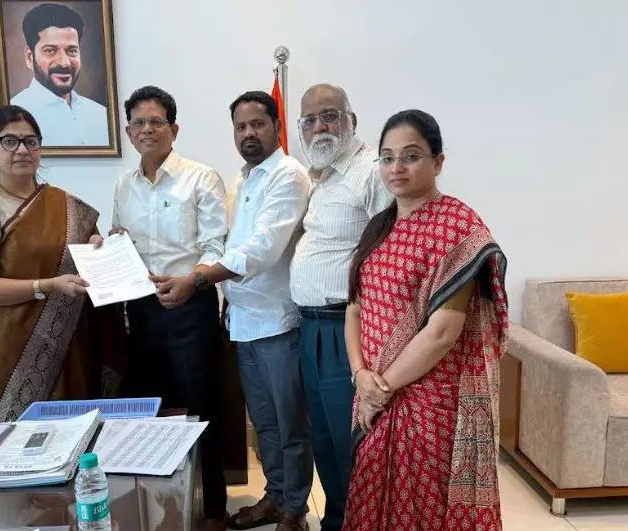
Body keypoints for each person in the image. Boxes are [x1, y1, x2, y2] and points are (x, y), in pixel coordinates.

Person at [343, 110, 509, 530]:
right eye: (387, 157)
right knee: (370, 495)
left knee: (422, 507)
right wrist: (361, 376)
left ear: (438, 162)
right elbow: (355, 308)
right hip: (373, 389)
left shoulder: (458, 228)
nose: (396, 167)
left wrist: (380, 389)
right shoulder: (378, 227)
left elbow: (442, 333)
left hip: (429, 399)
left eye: (411, 156)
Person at [157, 91, 313, 531]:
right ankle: (276, 497)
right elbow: (221, 244)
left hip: (278, 323)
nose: (248, 133)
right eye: (240, 126)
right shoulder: (241, 181)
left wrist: (198, 280)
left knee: (290, 426)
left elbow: (262, 249)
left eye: (257, 124)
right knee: (264, 424)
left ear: (277, 127)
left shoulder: (288, 175)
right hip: (243, 323)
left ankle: (295, 510)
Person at [0, 105, 124, 423]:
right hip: (13, 348)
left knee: (77, 431)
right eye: (9, 141)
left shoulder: (65, 205)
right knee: (22, 439)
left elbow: (84, 259)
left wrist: (97, 246)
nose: (22, 150)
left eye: (30, 141)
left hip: (71, 341)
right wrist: (46, 286)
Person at [110, 86, 228, 530]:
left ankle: (213, 510)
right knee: (151, 410)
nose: (147, 130)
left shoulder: (201, 178)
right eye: (138, 123)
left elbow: (217, 247)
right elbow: (121, 242)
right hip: (141, 310)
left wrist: (189, 283)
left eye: (156, 122)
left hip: (191, 306)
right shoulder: (124, 185)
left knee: (201, 409)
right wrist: (109, 245)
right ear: (128, 132)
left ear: (173, 129)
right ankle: (162, 509)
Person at [289, 84, 392, 531]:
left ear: (352, 120)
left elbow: (389, 253)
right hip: (310, 328)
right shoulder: (323, 175)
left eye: (330, 115)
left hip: (345, 329)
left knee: (351, 439)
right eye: (310, 120)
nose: (320, 127)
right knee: (325, 438)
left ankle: (361, 521)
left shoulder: (370, 171)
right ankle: (337, 519)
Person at [10, 3, 109, 147]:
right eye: (50, 51)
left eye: (71, 51)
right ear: (29, 57)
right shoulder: (13, 115)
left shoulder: (101, 115)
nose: (64, 63)